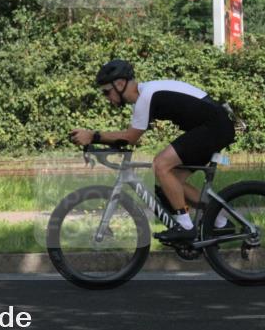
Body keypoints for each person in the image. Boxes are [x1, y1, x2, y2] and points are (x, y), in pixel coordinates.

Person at [69, 59, 235, 242]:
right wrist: (100, 143)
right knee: (173, 182)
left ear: (120, 84)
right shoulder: (145, 96)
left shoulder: (147, 96)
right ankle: (221, 222)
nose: (106, 98)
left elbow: (131, 137)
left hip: (214, 127)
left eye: (107, 92)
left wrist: (93, 136)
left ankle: (185, 226)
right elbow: (127, 138)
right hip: (214, 126)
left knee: (160, 164)